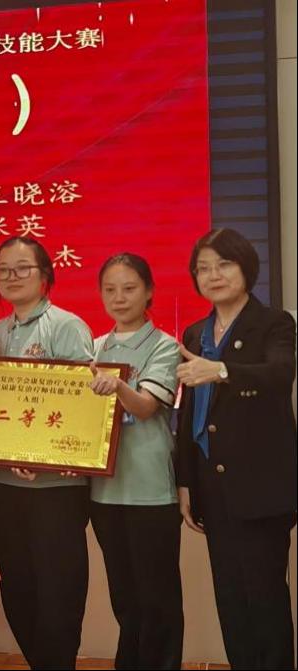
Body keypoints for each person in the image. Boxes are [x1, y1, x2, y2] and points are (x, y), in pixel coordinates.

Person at [175, 228, 297, 670]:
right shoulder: (195, 332)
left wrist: (222, 370)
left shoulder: (275, 323)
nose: (213, 275)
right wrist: (186, 482)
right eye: (203, 268)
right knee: (230, 598)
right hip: (213, 485)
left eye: (223, 264)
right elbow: (189, 415)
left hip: (261, 486)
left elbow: (280, 375)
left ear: (246, 267)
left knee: (264, 598)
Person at [0, 236, 94, 669]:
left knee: (59, 590)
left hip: (55, 489)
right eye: (3, 270)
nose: (12, 277)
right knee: (18, 589)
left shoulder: (67, 326)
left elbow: (81, 403)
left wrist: (37, 454)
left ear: (45, 274)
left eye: (22, 268)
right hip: (4, 484)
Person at [87, 253, 183, 669]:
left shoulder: (165, 346)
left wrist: (118, 386)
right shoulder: (93, 348)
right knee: (124, 596)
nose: (119, 297)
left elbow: (145, 407)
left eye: (129, 288)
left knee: (157, 597)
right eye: (110, 289)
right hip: (104, 491)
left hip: (150, 489)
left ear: (149, 292)